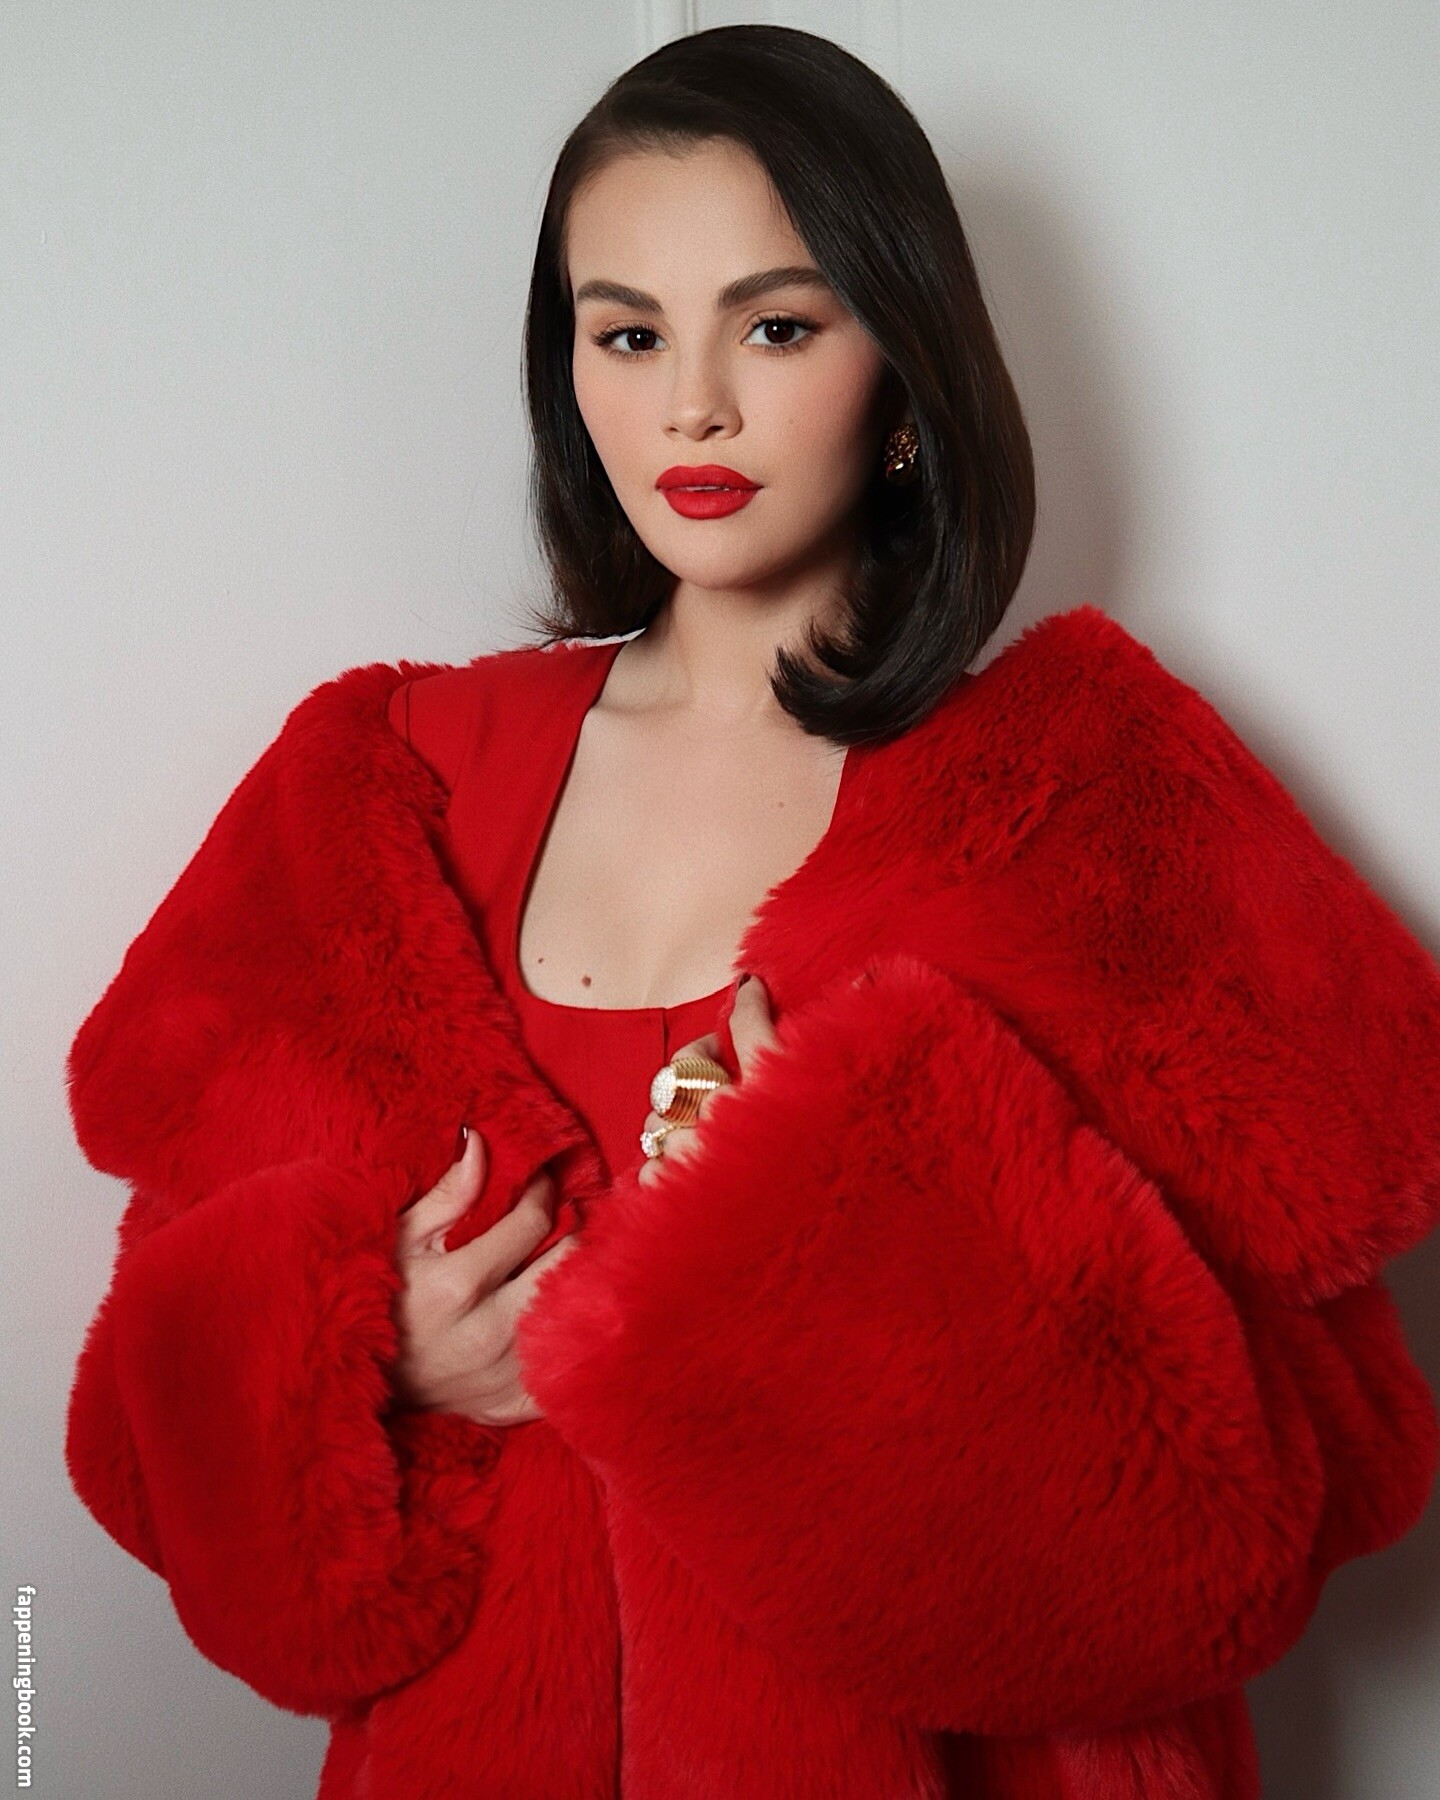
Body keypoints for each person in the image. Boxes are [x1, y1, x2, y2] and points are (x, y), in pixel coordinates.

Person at [63, 24, 1440, 1800]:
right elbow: (141, 1426)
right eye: (627, 333)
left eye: (776, 327)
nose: (692, 405)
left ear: (906, 368)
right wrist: (358, 1355)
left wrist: (848, 1243)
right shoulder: (389, 783)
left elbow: (1314, 1473)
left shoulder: (1093, 795)